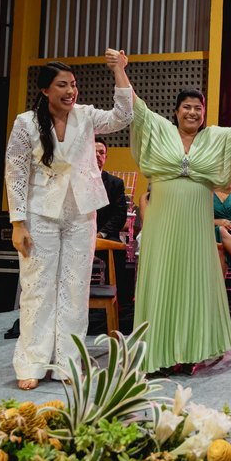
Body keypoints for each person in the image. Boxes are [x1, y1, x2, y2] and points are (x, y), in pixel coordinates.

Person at [115, 46, 231, 374]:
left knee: (191, 288)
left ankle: (190, 351)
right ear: (176, 111)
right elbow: (135, 106)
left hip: (196, 228)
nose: (193, 112)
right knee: (162, 286)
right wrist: (120, 69)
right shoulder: (159, 131)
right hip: (162, 227)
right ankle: (158, 355)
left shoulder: (212, 139)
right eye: (187, 107)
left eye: (198, 108)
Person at [5, 58, 134, 390]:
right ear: (46, 89)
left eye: (73, 85)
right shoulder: (26, 123)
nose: (70, 91)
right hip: (39, 213)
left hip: (81, 213)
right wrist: (18, 223)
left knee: (76, 288)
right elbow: (16, 172)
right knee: (38, 287)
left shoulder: (87, 116)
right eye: (62, 85)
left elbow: (123, 116)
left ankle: (67, 363)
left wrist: (119, 70)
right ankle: (32, 362)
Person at [94, 137, 132, 325]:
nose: (97, 155)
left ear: (106, 157)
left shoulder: (115, 183)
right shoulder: (75, 179)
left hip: (105, 234)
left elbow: (119, 216)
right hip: (78, 234)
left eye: (101, 152)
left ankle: (119, 304)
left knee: (117, 251)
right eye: (93, 152)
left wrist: (100, 234)